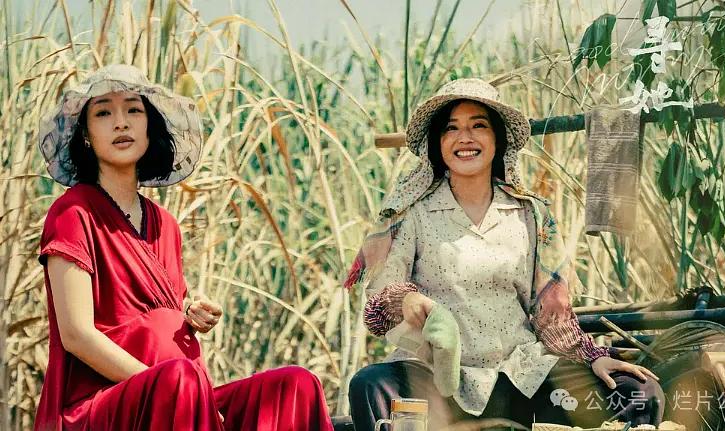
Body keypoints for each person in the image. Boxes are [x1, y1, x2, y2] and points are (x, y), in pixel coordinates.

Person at [346, 78, 665, 430]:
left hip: (519, 374)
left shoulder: (531, 214)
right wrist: (405, 300)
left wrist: (592, 357)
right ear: (437, 143)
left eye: (478, 126)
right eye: (451, 128)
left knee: (637, 392)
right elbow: (379, 303)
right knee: (370, 385)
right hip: (436, 380)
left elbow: (551, 313)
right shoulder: (414, 213)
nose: (465, 138)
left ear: (498, 139)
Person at [35, 64, 334, 431]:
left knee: (295, 384)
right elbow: (77, 335)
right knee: (180, 378)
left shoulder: (165, 225)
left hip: (183, 392)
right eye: (103, 113)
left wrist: (190, 311)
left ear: (150, 125)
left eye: (133, 110)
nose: (121, 123)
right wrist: (167, 386)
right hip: (105, 402)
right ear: (85, 135)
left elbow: (162, 308)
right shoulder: (73, 212)